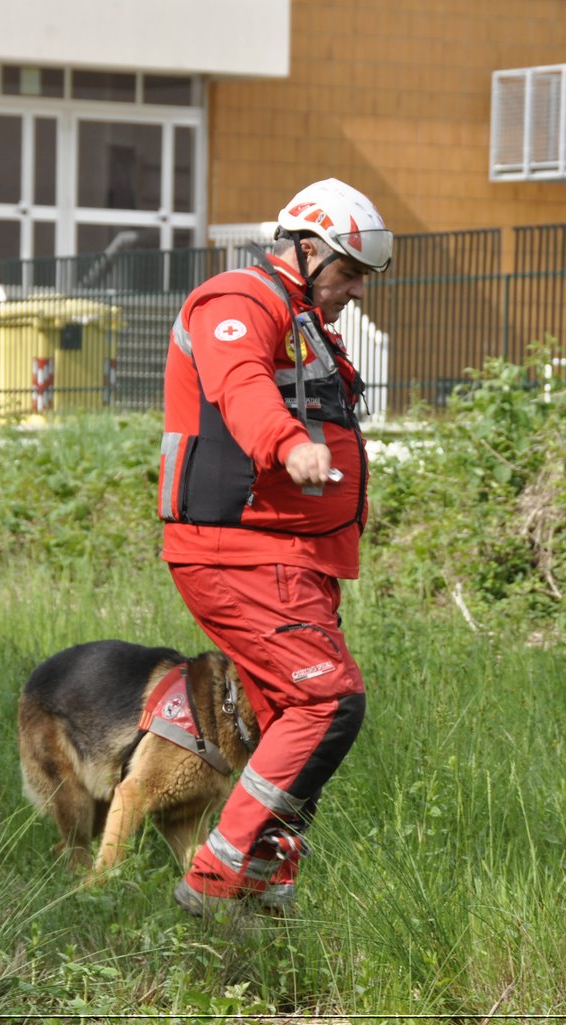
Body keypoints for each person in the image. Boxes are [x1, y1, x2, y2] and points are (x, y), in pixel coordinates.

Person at [157, 177, 393, 917]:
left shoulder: (302, 318)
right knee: (326, 704)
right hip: (242, 552)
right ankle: (216, 881)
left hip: (293, 558)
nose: (355, 290)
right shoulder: (238, 300)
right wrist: (287, 445)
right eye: (349, 272)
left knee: (291, 724)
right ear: (307, 248)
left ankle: (263, 893)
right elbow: (243, 386)